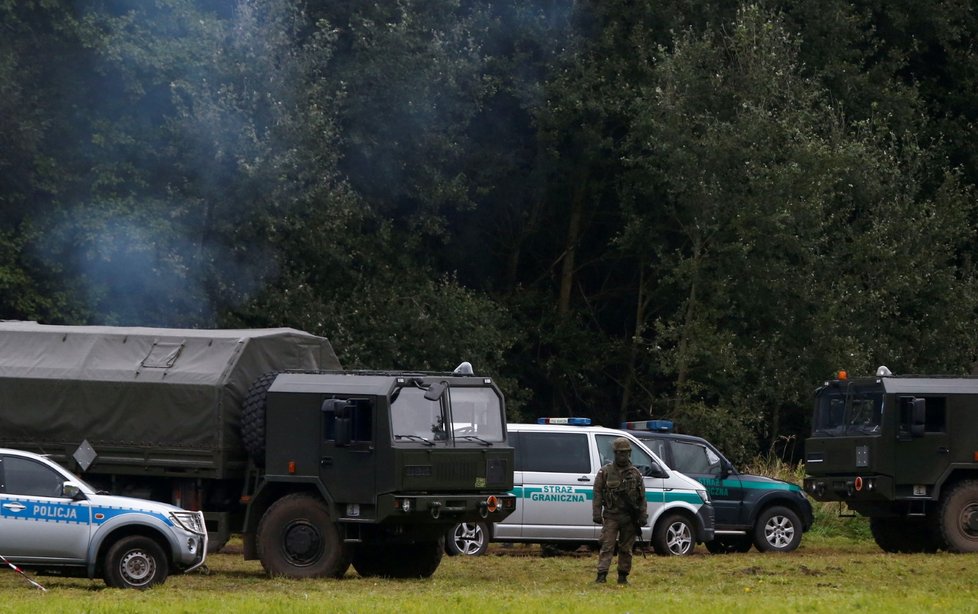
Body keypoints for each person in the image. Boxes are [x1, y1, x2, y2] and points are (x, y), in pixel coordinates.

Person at [592, 437, 648, 585]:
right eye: (619, 453)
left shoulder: (635, 474)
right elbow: (597, 492)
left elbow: (642, 497)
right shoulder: (605, 472)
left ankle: (623, 576)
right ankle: (601, 575)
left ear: (629, 453)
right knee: (607, 546)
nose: (623, 456)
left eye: (625, 453)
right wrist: (596, 513)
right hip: (611, 516)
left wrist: (643, 515)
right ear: (615, 453)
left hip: (629, 518)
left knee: (626, 548)